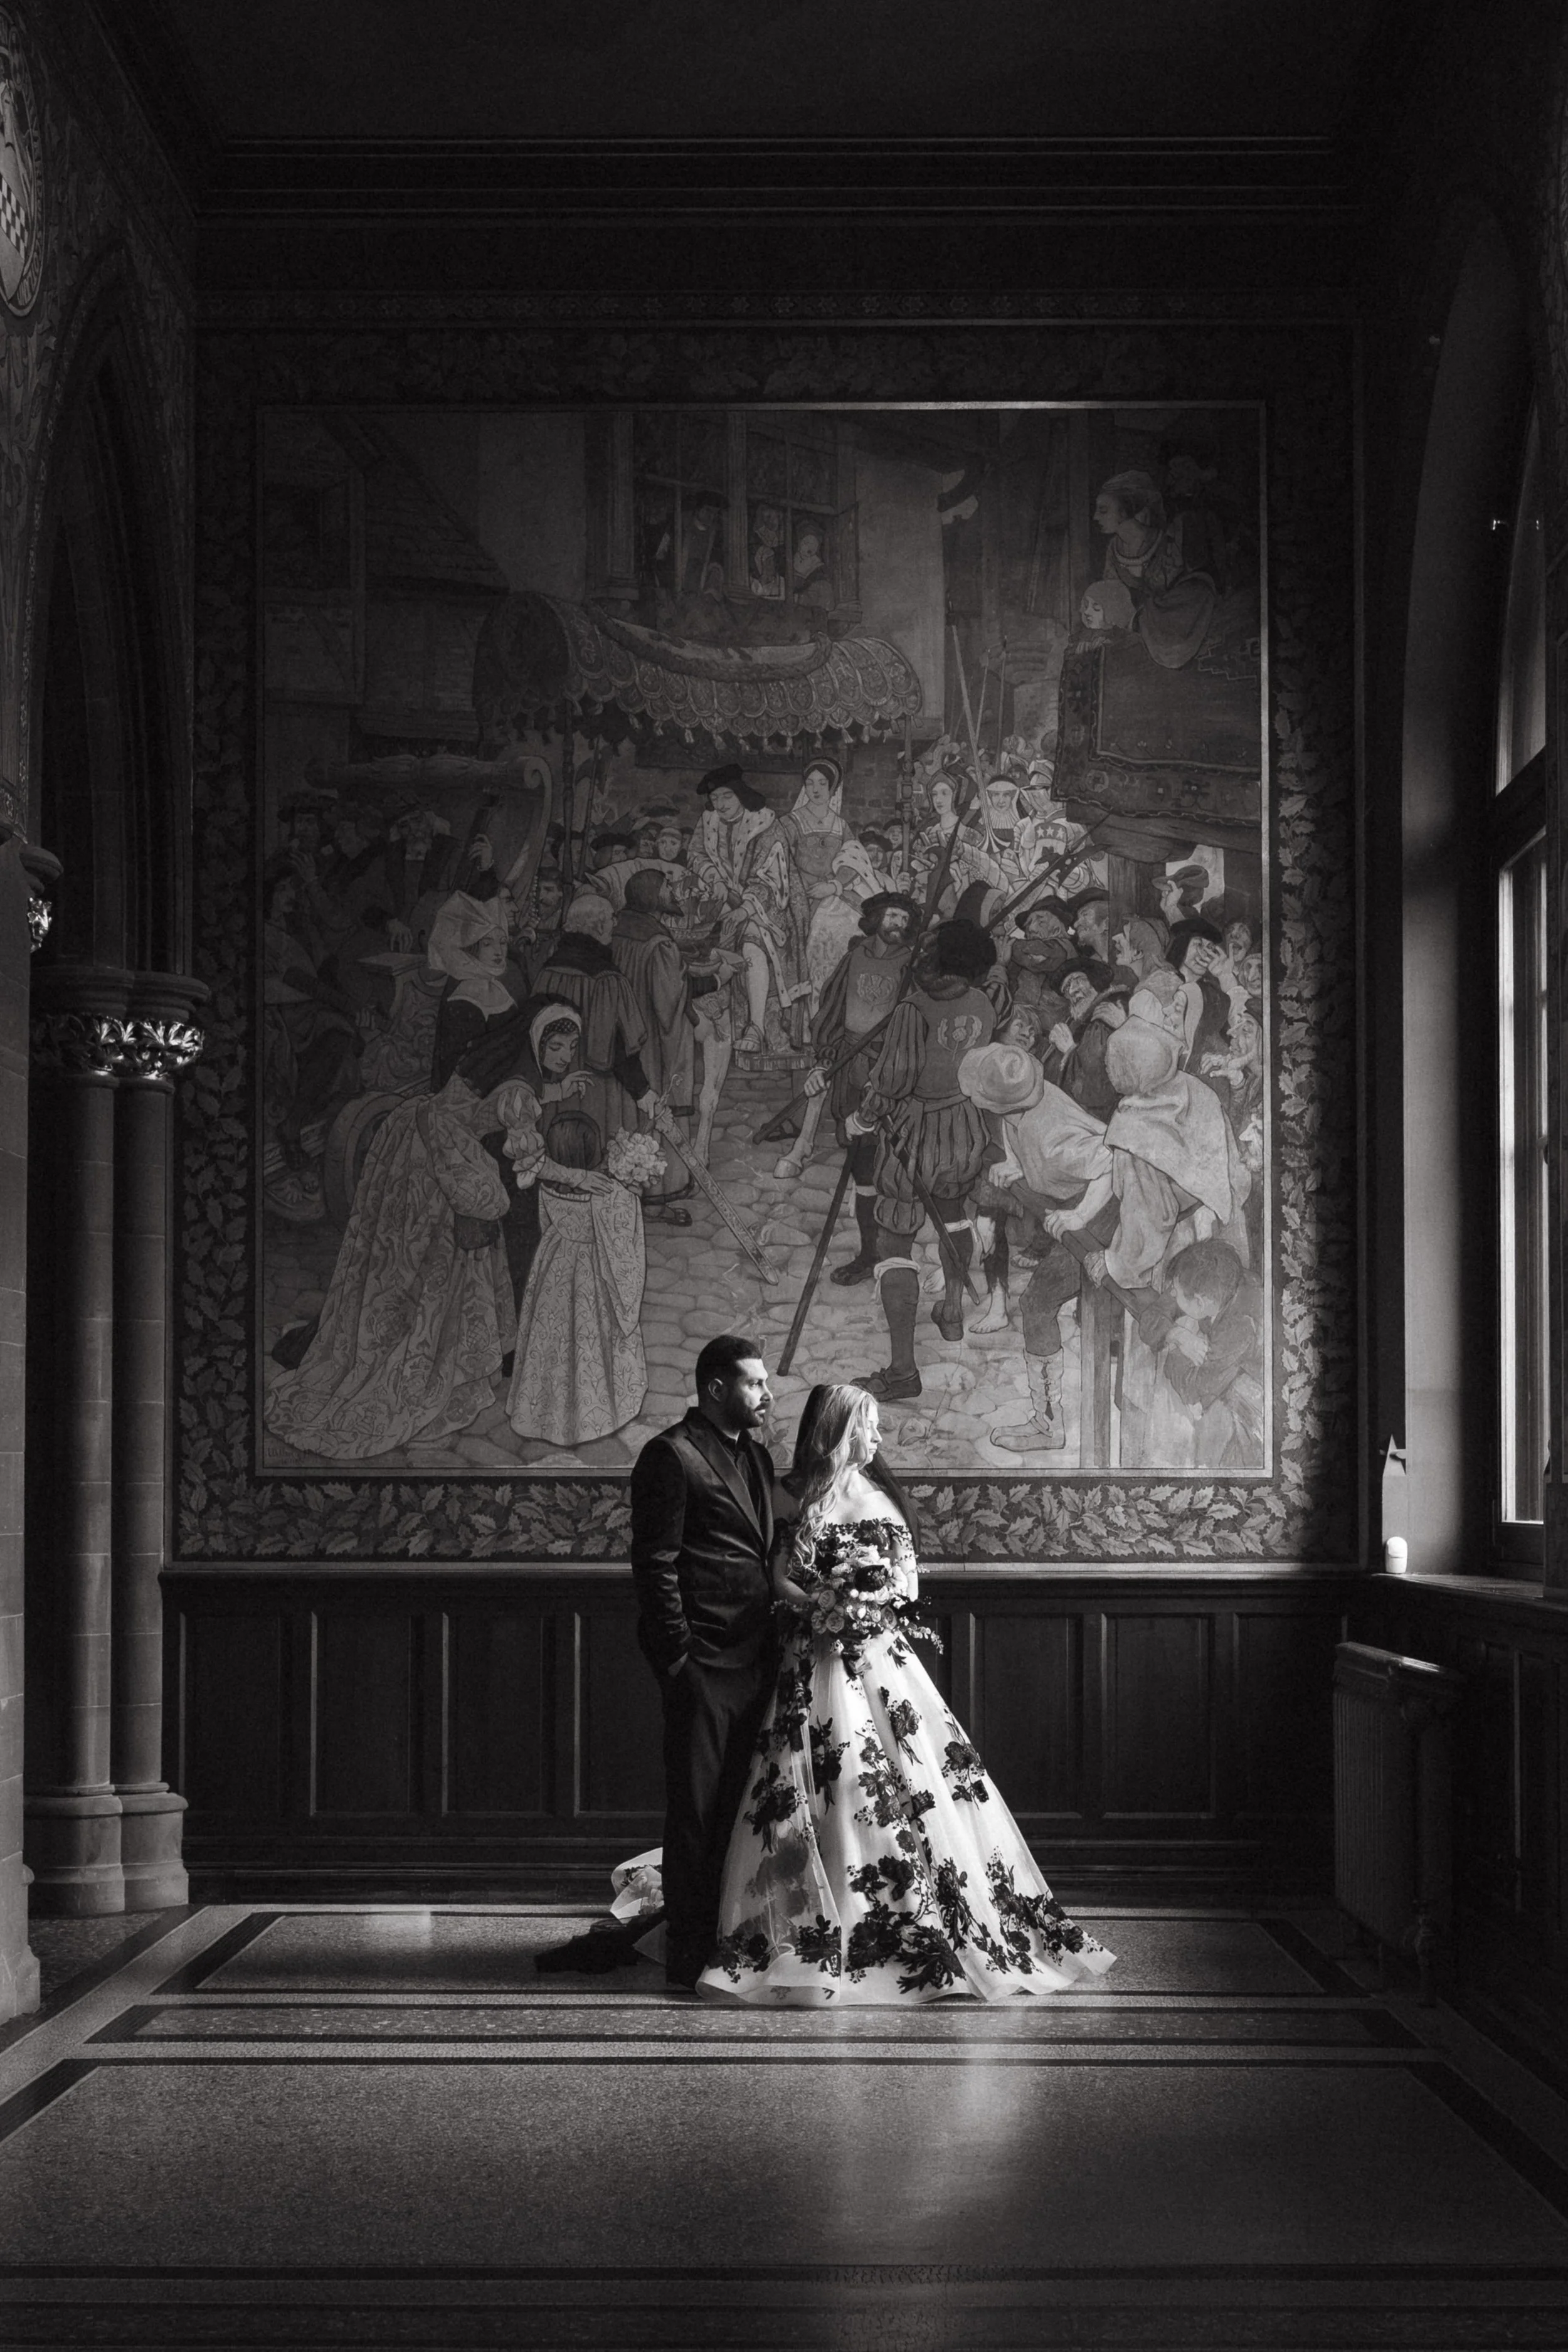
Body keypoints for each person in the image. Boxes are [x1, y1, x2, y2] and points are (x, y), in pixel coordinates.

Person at [701, 1384, 1115, 2005]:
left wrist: (863, 1605)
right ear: (838, 1432)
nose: (877, 1440)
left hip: (875, 1658)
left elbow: (905, 1580)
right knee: (806, 1787)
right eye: (867, 1428)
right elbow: (780, 1575)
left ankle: (901, 1920)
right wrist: (818, 1604)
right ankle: (807, 1923)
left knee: (896, 1783)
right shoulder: (799, 1498)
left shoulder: (881, 1501)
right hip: (809, 1659)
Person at [630, 1337, 780, 1991]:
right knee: (693, 1815)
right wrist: (678, 1659)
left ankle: (731, 1939)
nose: (766, 1395)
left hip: (758, 1660)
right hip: (703, 1665)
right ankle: (688, 1956)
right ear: (715, 1388)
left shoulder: (758, 1454)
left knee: (740, 1811)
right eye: (753, 1384)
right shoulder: (670, 1455)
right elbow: (654, 1562)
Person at [849, 917, 999, 1399]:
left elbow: (892, 1080)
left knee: (896, 1238)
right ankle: (952, 1308)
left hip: (913, 1132)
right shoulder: (984, 1002)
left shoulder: (914, 1009)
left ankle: (902, 1371)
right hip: (964, 1125)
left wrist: (866, 1115)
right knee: (954, 1216)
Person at [504, 1110, 649, 1448]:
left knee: (552, 1338)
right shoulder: (610, 1194)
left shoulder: (549, 1188)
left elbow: (546, 1223)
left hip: (555, 1261)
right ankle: (595, 1414)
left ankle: (545, 1412)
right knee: (591, 1339)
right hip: (594, 1269)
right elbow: (625, 1238)